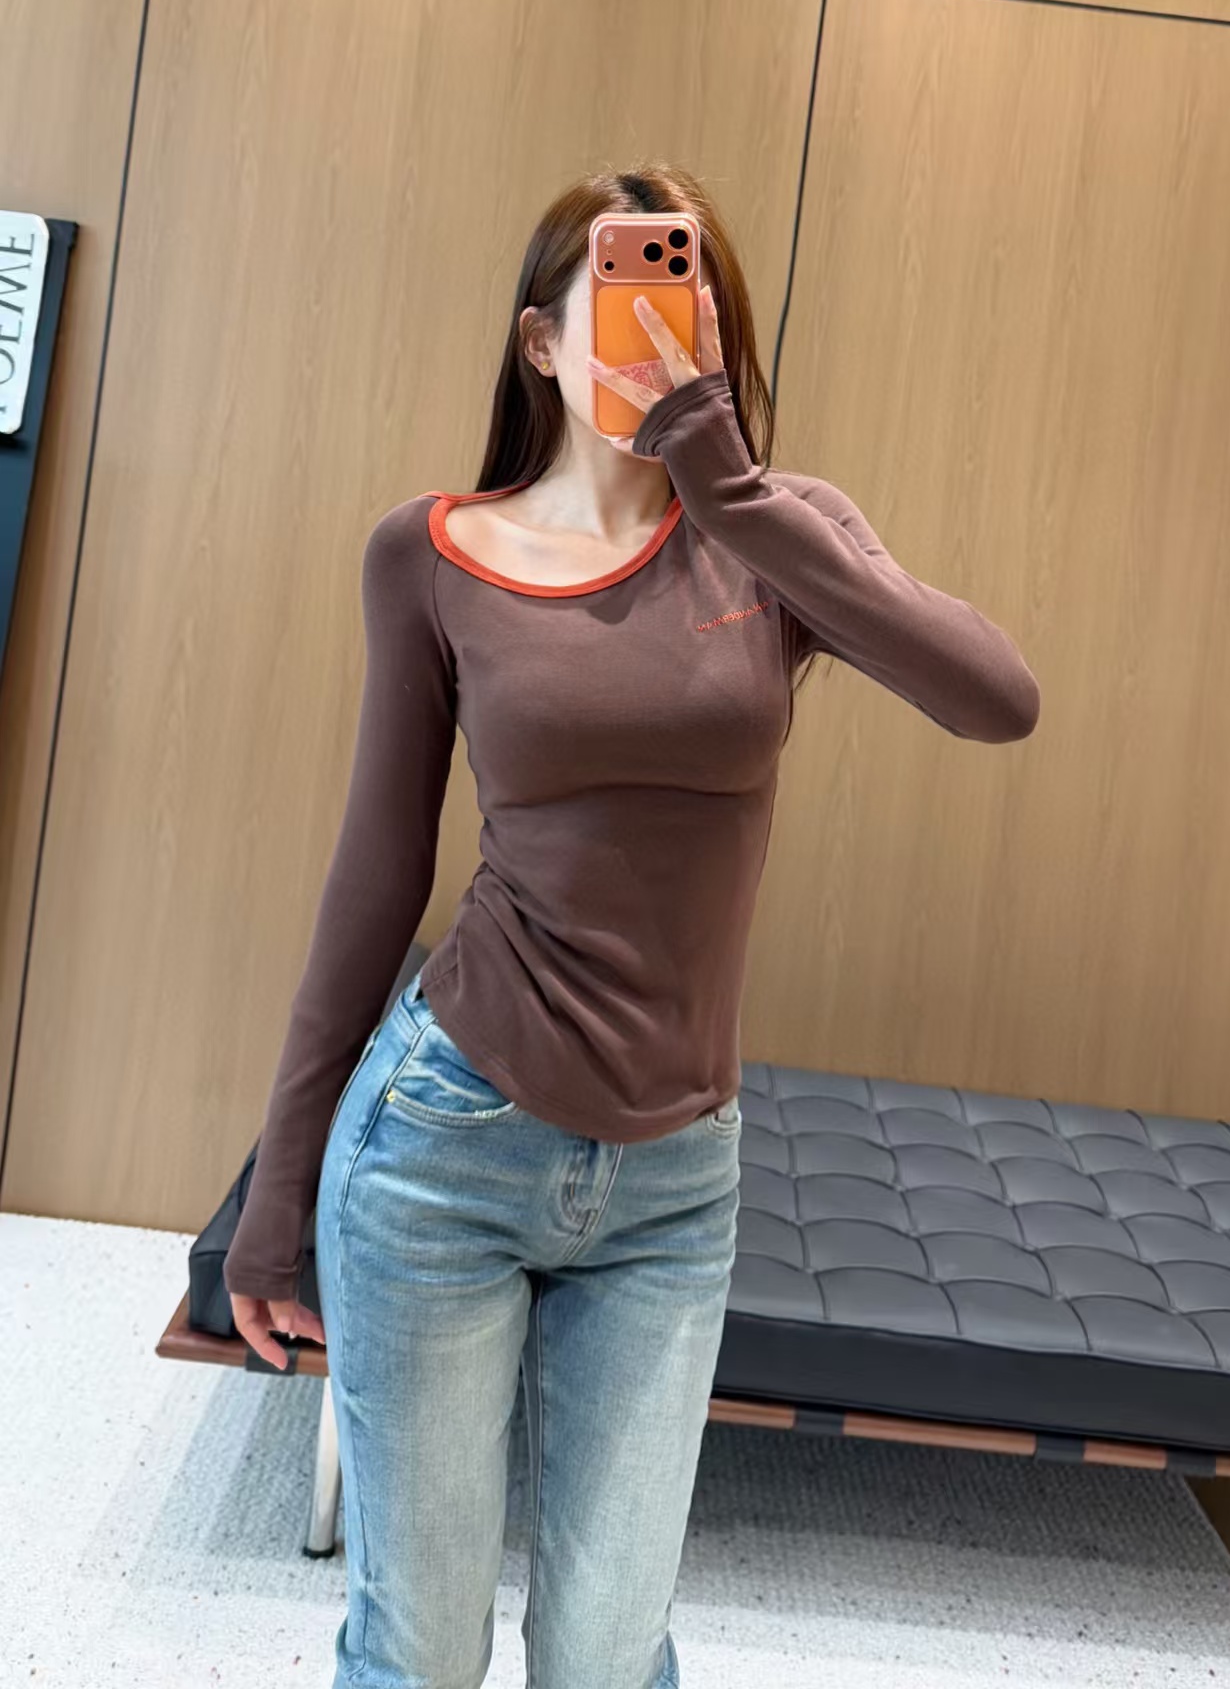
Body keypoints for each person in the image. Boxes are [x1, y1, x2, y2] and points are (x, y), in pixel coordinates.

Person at [223, 161, 1040, 1687]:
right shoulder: (430, 555)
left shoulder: (778, 535)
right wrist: (280, 1188)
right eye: (627, 304)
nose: (666, 339)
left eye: (693, 309)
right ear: (541, 343)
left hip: (675, 1185)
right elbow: (378, 876)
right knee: (421, 1650)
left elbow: (998, 701)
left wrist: (729, 490)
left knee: (607, 1657)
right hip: (445, 1141)